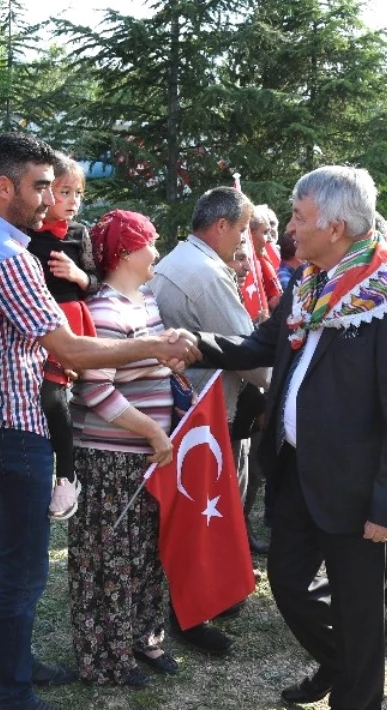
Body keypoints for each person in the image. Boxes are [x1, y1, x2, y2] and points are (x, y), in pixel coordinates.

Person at [194, 166, 387, 710]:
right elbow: (258, 345)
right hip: (298, 469)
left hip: (358, 488)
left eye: (298, 216)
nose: (289, 226)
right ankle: (340, 661)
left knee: (359, 606)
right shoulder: (310, 283)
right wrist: (191, 342)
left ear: (335, 223)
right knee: (289, 586)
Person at [0, 132, 198, 710]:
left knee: (20, 564)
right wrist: (154, 345)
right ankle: (13, 694)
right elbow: (69, 349)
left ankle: (18, 667)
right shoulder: (8, 257)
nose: (52, 199)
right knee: (22, 569)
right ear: (4, 187)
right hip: (21, 428)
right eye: (41, 185)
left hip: (22, 422)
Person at [149, 186, 270, 654]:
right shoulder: (202, 274)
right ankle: (196, 607)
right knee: (206, 512)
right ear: (220, 227)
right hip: (206, 413)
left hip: (194, 411)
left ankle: (208, 595)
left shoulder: (184, 261)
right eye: (241, 231)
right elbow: (250, 356)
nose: (244, 243)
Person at [67, 209, 177, 689]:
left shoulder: (147, 301)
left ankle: (142, 636)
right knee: (109, 558)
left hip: (144, 461)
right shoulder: (106, 313)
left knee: (145, 554)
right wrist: (152, 432)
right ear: (129, 251)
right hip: (112, 460)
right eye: (151, 243)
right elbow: (95, 391)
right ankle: (106, 657)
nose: (157, 252)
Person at [27, 153, 99, 520]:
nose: (73, 201)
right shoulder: (27, 235)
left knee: (63, 397)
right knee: (50, 398)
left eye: (79, 194)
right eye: (64, 191)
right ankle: (64, 473)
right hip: (37, 326)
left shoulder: (78, 234)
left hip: (71, 321)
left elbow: (95, 283)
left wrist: (78, 275)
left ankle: (69, 475)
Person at [249, 205, 284, 313]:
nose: (268, 238)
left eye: (273, 225)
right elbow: (274, 301)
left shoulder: (264, 257)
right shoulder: (252, 263)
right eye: (265, 232)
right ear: (250, 234)